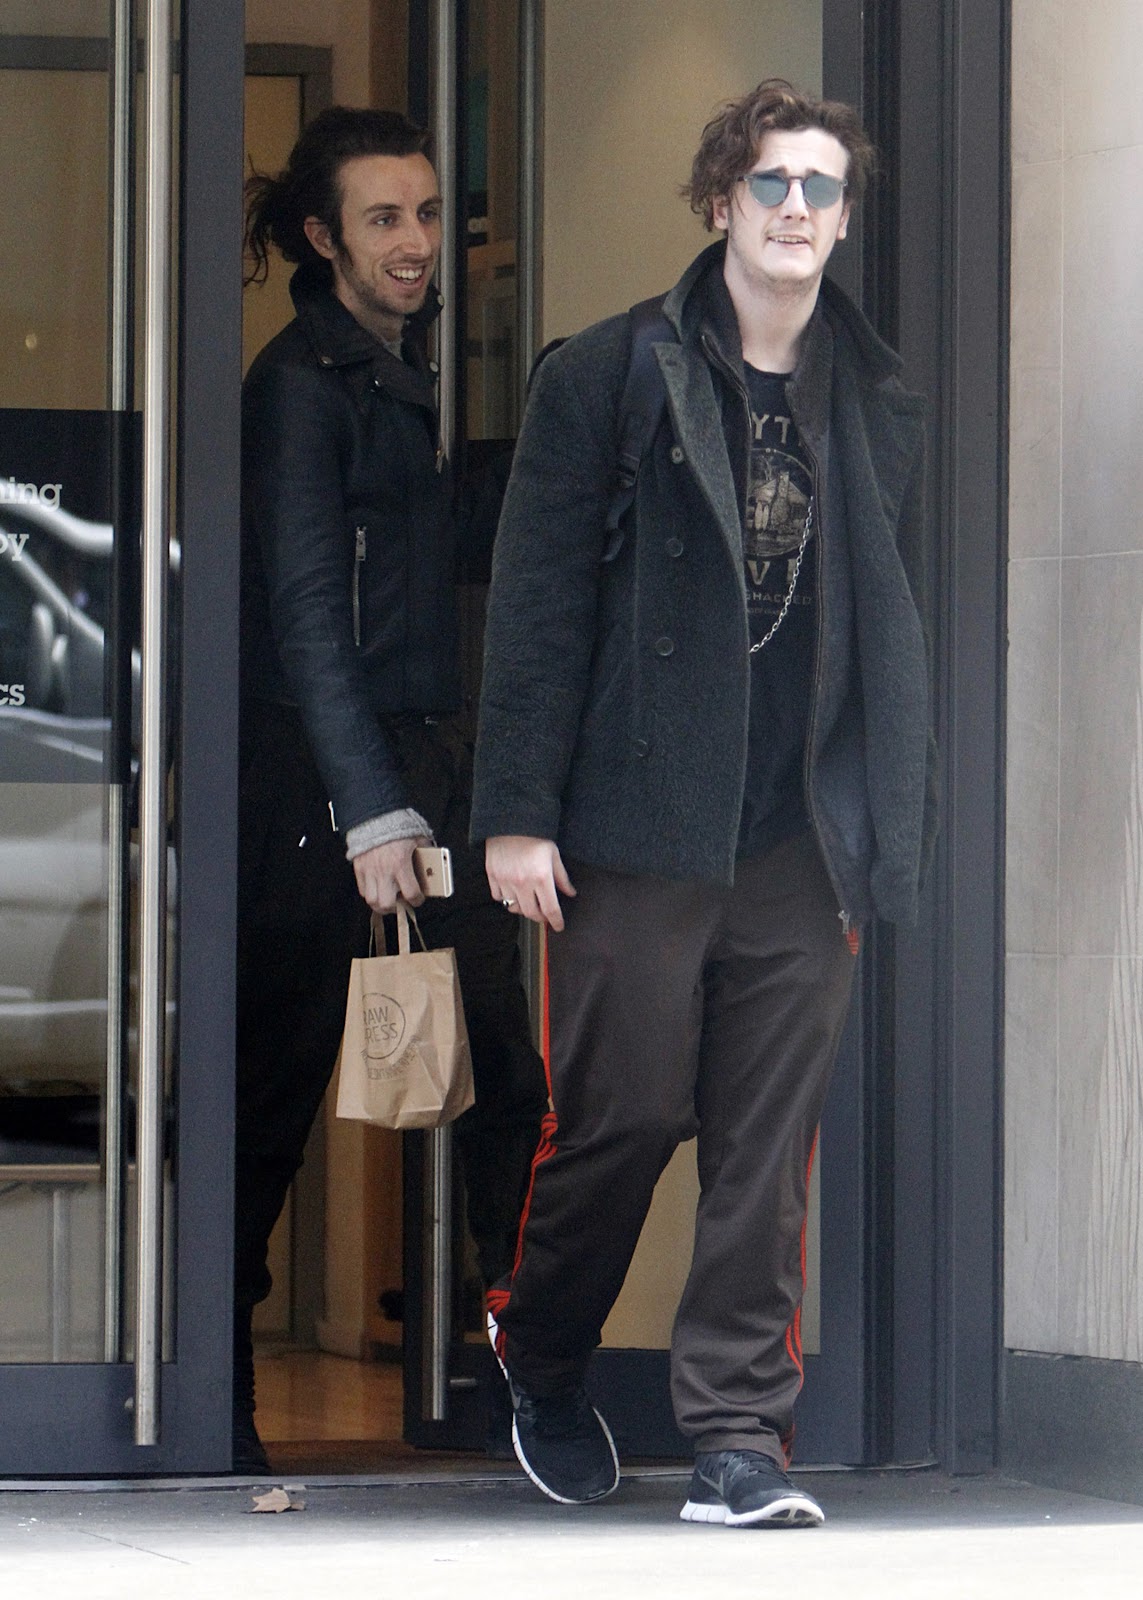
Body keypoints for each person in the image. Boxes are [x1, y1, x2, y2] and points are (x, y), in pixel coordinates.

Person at [470, 79, 936, 1526]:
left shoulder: (874, 391)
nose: (799, 210)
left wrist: (883, 824)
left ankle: (739, 1437)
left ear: (845, 219)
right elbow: (538, 605)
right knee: (617, 1118)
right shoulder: (609, 373)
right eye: (774, 184)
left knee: (763, 1143)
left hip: (802, 833)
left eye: (823, 189)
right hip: (632, 822)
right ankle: (540, 1357)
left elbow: (883, 622)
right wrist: (513, 813)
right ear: (720, 201)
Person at [235, 106, 548, 1472]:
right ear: (325, 235)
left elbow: (428, 577)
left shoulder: (403, 374)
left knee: (508, 1080)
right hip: (324, 781)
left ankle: (522, 1367)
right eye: (384, 219)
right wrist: (373, 813)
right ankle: (216, 1399)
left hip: (427, 766)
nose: (416, 243)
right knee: (275, 1087)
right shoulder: (298, 383)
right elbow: (309, 612)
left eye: (426, 214)